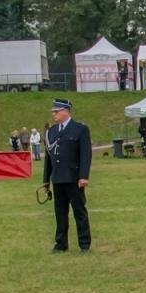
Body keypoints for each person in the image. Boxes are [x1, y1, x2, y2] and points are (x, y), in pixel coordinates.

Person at [42, 98, 92, 254]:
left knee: (79, 212)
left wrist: (83, 176)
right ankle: (61, 243)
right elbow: (48, 158)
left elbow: (85, 154)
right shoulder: (51, 131)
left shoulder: (80, 129)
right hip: (58, 178)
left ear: (66, 111)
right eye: (53, 112)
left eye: (56, 111)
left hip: (74, 178)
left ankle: (84, 244)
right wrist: (46, 180)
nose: (54, 114)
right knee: (60, 213)